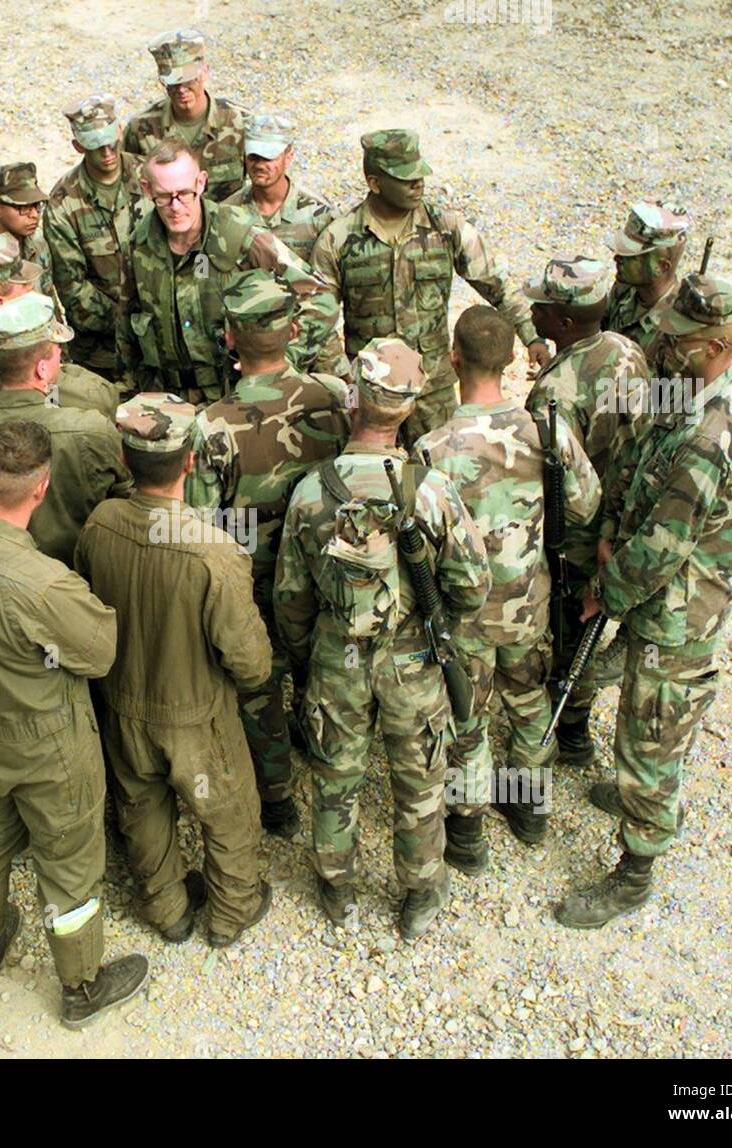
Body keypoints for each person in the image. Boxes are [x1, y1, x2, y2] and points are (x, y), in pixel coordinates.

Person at [0, 419, 149, 1028]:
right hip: (46, 743)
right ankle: (80, 986)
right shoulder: (44, 584)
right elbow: (99, 654)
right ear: (42, 488)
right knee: (69, 861)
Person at [557, 274, 732, 928]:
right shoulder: (682, 398)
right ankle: (636, 791)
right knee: (637, 715)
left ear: (708, 347)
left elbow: (668, 544)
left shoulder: (711, 435)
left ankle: (636, 867)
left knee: (652, 730)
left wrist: (604, 593)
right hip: (647, 588)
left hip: (677, 612)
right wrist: (611, 534)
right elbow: (637, 469)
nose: (662, 344)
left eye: (676, 339)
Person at [275, 339, 490, 937]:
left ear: (354, 398)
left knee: (335, 777)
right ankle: (420, 893)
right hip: (413, 659)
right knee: (419, 779)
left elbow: (290, 599)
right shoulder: (432, 489)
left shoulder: (311, 490)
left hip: (336, 656)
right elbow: (474, 586)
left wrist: (306, 655)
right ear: (410, 406)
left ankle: (337, 886)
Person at [74, 395, 273, 948]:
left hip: (122, 703)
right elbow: (250, 661)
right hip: (195, 716)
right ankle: (232, 911)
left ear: (123, 455)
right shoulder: (213, 553)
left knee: (141, 809)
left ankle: (166, 909)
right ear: (191, 462)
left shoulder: (100, 524)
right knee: (226, 810)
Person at [420, 307, 599, 871]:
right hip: (529, 604)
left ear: (454, 360)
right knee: (528, 703)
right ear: (513, 361)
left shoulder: (432, 449)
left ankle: (467, 835)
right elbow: (587, 504)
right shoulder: (547, 431)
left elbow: (420, 547)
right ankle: (529, 812)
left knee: (466, 719)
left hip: (463, 614)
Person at [186, 270, 351, 837]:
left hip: (254, 584)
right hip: (323, 572)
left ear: (230, 338)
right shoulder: (331, 397)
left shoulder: (212, 427)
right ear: (296, 329)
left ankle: (277, 797)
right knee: (320, 668)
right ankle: (325, 752)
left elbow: (202, 528)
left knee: (258, 686)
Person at [311, 130, 547, 438]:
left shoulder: (445, 229)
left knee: (439, 475)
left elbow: (497, 284)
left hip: (432, 393)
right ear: (375, 183)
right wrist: (346, 381)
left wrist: (532, 337)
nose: (418, 183)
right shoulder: (339, 240)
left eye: (420, 174)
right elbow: (318, 321)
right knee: (377, 480)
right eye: (406, 178)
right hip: (372, 396)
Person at [524, 255, 651, 763]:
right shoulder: (626, 349)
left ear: (564, 323)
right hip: (622, 513)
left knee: (569, 628)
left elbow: (560, 485)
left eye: (542, 306)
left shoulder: (553, 394)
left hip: (580, 533)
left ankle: (566, 729)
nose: (532, 309)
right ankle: (575, 728)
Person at [119, 139, 344, 405]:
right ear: (147, 190)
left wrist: (283, 362)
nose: (176, 207)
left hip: (237, 400)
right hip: (167, 402)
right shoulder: (138, 245)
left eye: (185, 194)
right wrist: (128, 393)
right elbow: (127, 324)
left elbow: (320, 298)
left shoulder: (239, 234)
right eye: (164, 197)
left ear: (201, 183)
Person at [0, 294, 130, 566]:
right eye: (57, 350)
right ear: (42, 369)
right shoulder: (93, 430)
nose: (62, 357)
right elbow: (125, 502)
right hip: (82, 580)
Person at [0, 234, 120, 418]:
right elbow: (93, 402)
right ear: (0, 305)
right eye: (25, 288)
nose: (32, 289)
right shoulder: (9, 357)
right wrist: (56, 374)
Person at [45, 95, 145, 376]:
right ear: (78, 146)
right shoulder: (63, 202)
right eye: (95, 147)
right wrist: (129, 322)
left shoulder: (150, 177)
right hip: (102, 350)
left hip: (160, 337)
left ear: (120, 132)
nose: (107, 153)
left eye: (111, 143)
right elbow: (72, 286)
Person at [123, 28, 246, 202]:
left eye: (189, 79)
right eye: (173, 82)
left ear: (205, 71)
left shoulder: (238, 122)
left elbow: (264, 188)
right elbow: (126, 186)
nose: (181, 89)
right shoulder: (140, 129)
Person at [221, 114, 335, 263]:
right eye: (253, 156)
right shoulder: (226, 212)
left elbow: (334, 276)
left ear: (289, 157)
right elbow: (201, 264)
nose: (260, 165)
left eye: (269, 157)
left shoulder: (320, 214)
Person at [0, 162, 62, 313]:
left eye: (37, 205)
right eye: (23, 208)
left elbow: (48, 293)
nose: (34, 215)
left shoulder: (37, 239)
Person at [602, 200, 691, 359]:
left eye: (632, 257)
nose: (617, 258)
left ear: (661, 267)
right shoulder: (625, 288)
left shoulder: (678, 327)